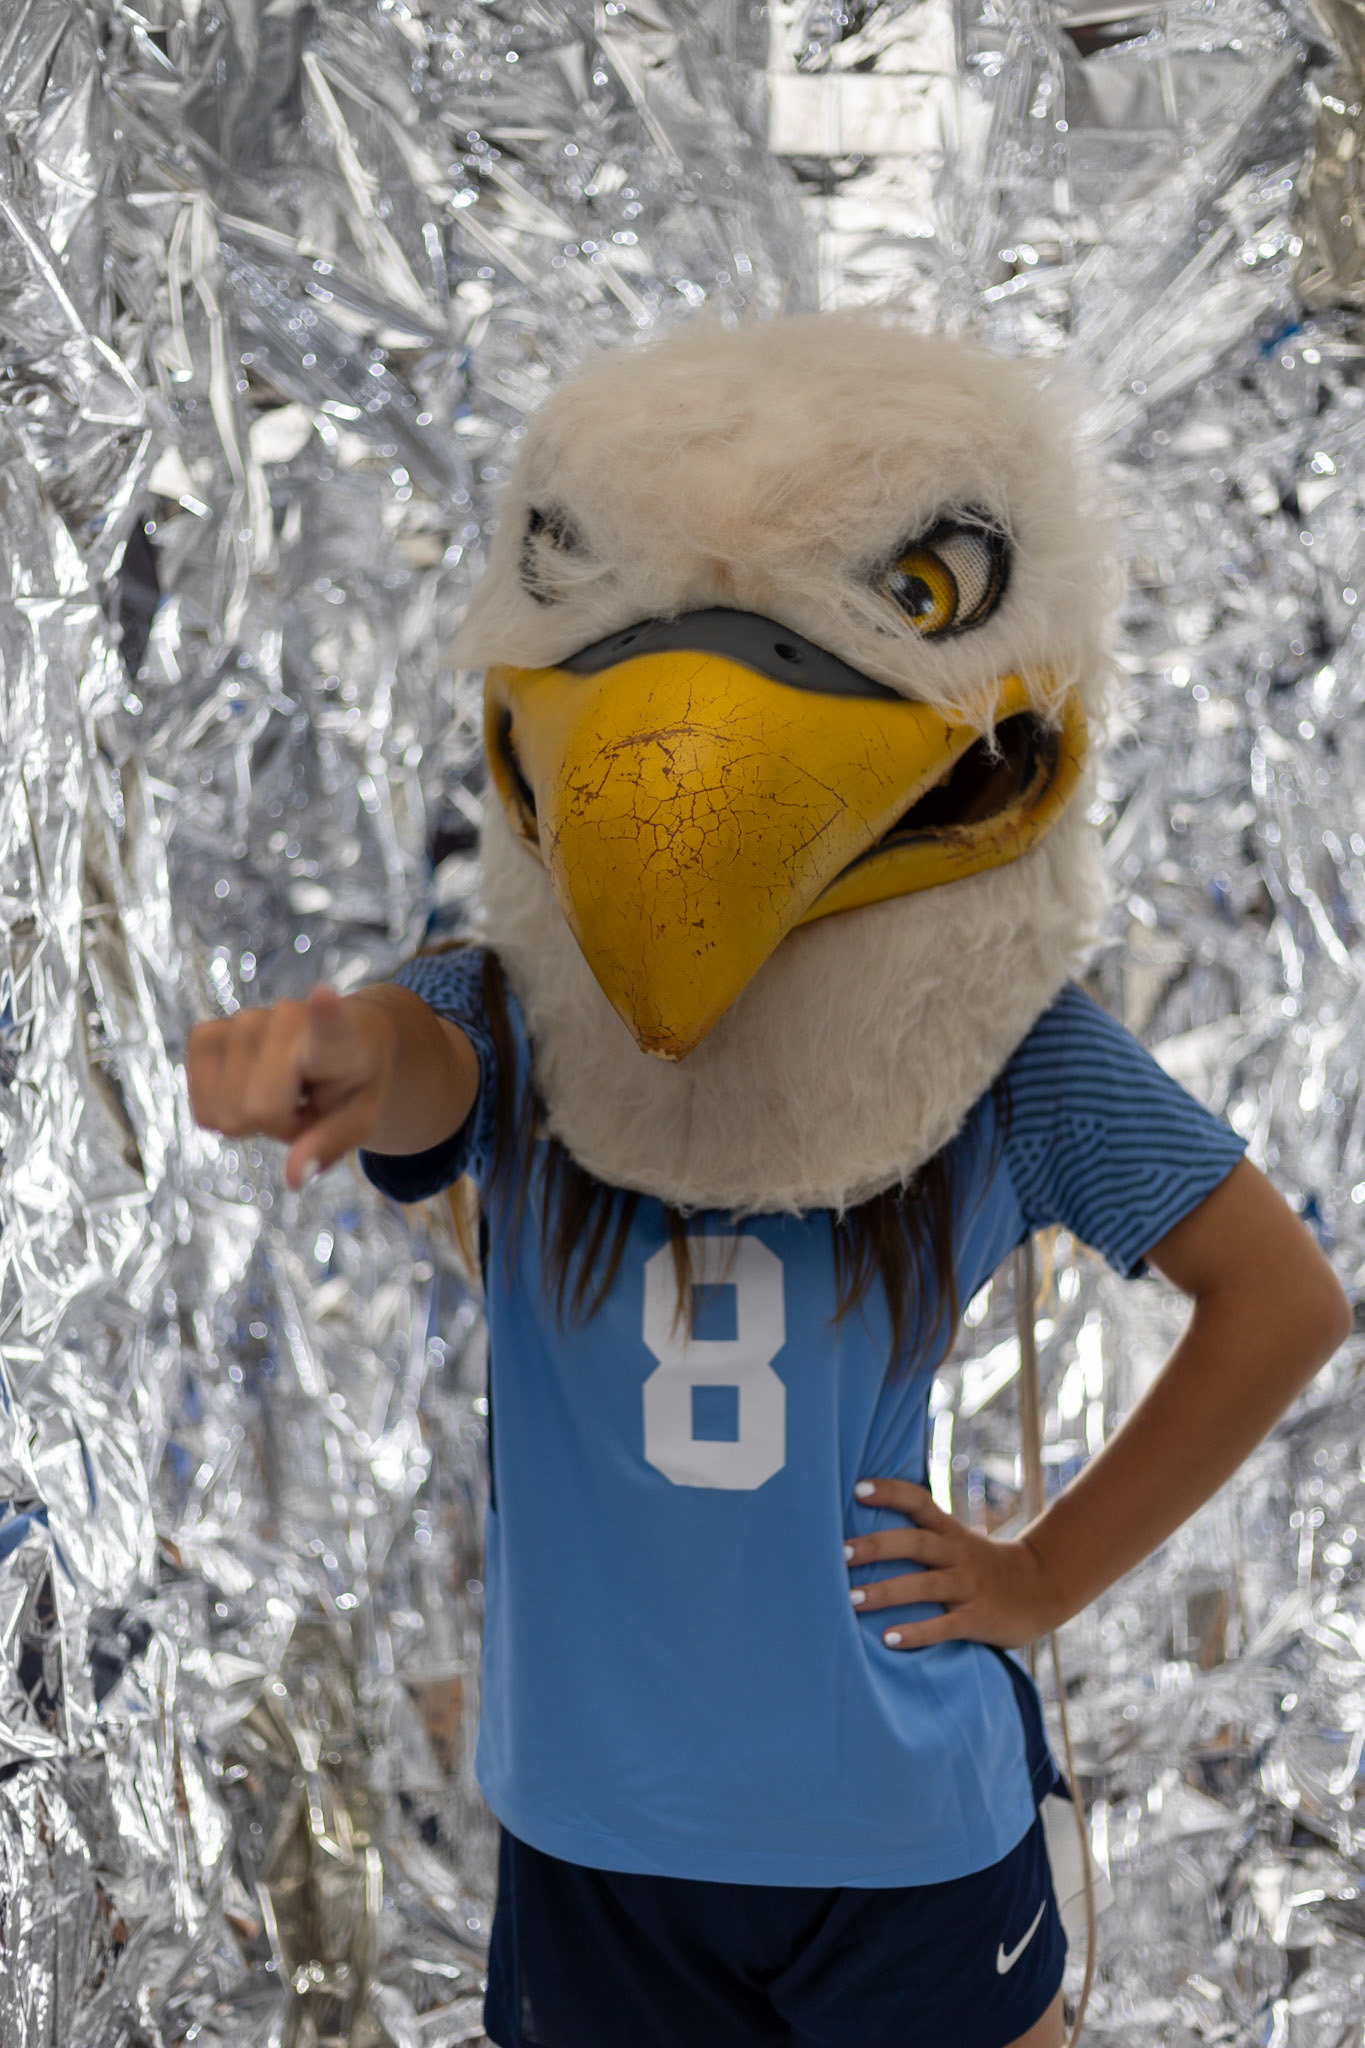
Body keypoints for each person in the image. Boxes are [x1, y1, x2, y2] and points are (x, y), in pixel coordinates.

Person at [188, 317, 1350, 2048]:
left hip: (894, 1821)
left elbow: (1280, 1300)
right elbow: (413, 1054)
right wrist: (338, 1047)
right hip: (599, 1834)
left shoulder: (1000, 1048)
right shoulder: (509, 1016)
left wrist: (1042, 1576)